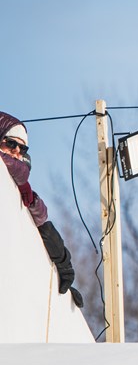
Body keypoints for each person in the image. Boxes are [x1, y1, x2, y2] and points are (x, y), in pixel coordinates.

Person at [0, 112, 83, 307]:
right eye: (11, 143)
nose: (17, 151)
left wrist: (63, 265)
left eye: (22, 148)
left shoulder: (24, 192)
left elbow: (42, 225)